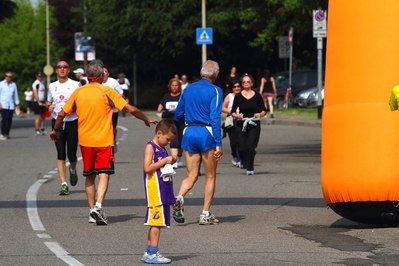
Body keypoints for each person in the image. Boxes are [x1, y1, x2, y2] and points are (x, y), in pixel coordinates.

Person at [49, 59, 157, 225]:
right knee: (104, 173)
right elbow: (131, 109)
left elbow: (62, 114)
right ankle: (98, 206)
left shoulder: (79, 92)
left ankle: (92, 210)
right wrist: (146, 119)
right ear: (100, 76)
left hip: (85, 140)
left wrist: (56, 130)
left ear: (87, 76)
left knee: (89, 175)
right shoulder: (106, 91)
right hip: (104, 140)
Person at [172, 60, 223, 225]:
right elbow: (215, 118)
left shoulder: (187, 89)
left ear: (201, 73)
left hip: (189, 132)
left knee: (191, 174)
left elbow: (178, 114)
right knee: (210, 176)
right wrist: (218, 143)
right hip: (206, 133)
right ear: (215, 75)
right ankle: (205, 213)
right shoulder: (216, 90)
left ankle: (179, 197)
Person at [141, 119, 177, 264]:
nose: (168, 142)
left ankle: (149, 250)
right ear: (159, 133)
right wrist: (164, 161)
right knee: (157, 222)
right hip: (155, 190)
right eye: (167, 139)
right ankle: (153, 252)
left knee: (156, 222)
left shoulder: (162, 148)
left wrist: (171, 160)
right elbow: (147, 168)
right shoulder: (151, 147)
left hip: (163, 188)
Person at [46, 61, 80, 196]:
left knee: (71, 155)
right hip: (57, 122)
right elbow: (49, 102)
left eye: (64, 67)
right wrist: (48, 107)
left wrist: (72, 108)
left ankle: (73, 169)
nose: (62, 69)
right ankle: (64, 184)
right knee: (61, 153)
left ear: (68, 70)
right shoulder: (52, 86)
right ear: (56, 70)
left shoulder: (75, 85)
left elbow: (79, 102)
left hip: (72, 121)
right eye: (59, 67)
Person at [231, 73, 267, 175]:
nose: (246, 83)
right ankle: (243, 160)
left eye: (248, 81)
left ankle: (250, 168)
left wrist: (260, 114)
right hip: (241, 124)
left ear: (251, 83)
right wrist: (237, 116)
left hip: (254, 124)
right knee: (241, 147)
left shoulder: (257, 96)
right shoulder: (238, 96)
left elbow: (264, 110)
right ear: (242, 84)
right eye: (244, 82)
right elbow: (232, 111)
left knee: (250, 146)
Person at [156, 78, 184, 169]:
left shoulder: (182, 97)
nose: (174, 87)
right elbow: (160, 107)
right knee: (174, 141)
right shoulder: (166, 96)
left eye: (176, 85)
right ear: (170, 86)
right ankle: (174, 159)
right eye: (173, 85)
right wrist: (160, 109)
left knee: (181, 141)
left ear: (179, 86)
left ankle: (179, 156)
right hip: (170, 122)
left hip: (180, 121)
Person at [102, 65, 124, 153]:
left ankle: (113, 141)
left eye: (105, 72)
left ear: (108, 74)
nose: (103, 74)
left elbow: (121, 94)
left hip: (113, 110)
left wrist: (116, 103)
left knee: (113, 128)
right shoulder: (97, 82)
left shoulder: (113, 82)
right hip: (102, 110)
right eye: (101, 72)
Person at [222, 78, 242, 167]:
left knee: (241, 141)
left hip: (242, 119)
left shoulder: (244, 95)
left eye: (238, 86)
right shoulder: (229, 96)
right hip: (232, 120)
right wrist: (231, 112)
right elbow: (223, 108)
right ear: (231, 88)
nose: (237, 88)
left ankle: (239, 159)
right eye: (234, 87)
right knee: (233, 141)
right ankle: (234, 155)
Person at [0, 71, 20, 140]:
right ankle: (3, 133)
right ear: (5, 77)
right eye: (7, 76)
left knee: (9, 119)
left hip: (11, 105)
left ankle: (7, 133)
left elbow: (15, 95)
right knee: (4, 119)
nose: (8, 78)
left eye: (10, 77)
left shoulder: (13, 85)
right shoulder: (1, 84)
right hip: (3, 105)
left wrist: (17, 103)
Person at [32, 71, 47, 136]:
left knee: (43, 116)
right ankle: (37, 130)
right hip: (38, 101)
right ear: (36, 76)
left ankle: (42, 129)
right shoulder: (36, 83)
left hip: (42, 101)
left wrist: (45, 101)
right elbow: (35, 93)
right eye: (38, 76)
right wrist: (38, 102)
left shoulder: (42, 83)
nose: (40, 77)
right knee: (38, 116)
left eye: (41, 76)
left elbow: (43, 94)